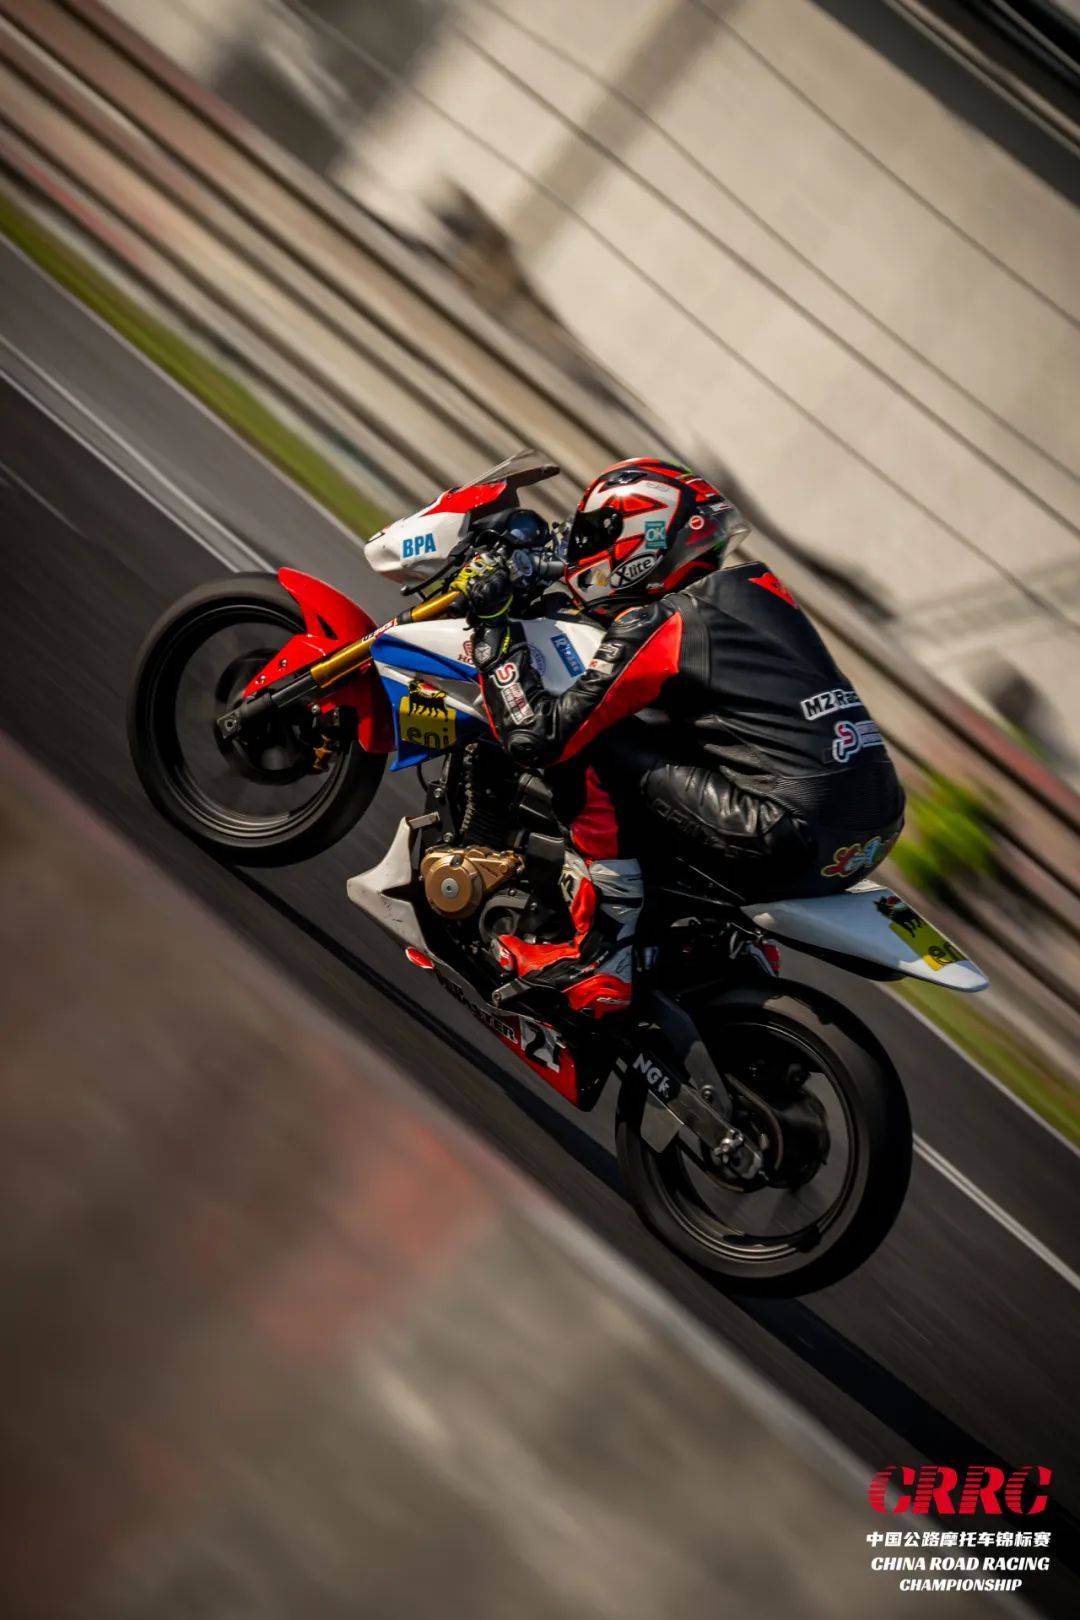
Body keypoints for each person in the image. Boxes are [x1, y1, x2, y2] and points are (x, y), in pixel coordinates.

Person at [454, 457, 905, 1019]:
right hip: (870, 828)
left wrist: (493, 628)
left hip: (787, 830)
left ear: (642, 541)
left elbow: (536, 738)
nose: (584, 549)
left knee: (588, 743)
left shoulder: (666, 623)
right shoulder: (754, 592)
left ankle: (602, 955)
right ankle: (723, 940)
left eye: (596, 535)